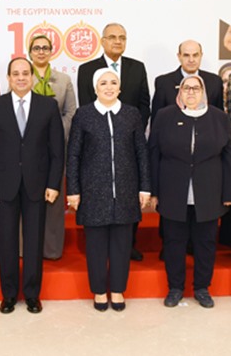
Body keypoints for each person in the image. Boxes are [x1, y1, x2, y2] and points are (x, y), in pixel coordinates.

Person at [0, 57, 64, 314]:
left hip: (37, 184)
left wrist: (53, 183)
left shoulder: (47, 106)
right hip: (4, 185)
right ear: (8, 78)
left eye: (25, 73)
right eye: (15, 73)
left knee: (33, 242)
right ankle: (7, 295)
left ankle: (31, 294)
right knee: (6, 242)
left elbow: (57, 150)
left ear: (32, 77)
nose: (20, 77)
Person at [149, 75, 231, 309]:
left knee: (205, 243)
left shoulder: (219, 117)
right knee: (174, 243)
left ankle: (202, 288)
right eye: (186, 88)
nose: (191, 92)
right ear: (179, 91)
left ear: (203, 91)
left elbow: (230, 156)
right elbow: (154, 154)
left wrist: (230, 192)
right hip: (172, 192)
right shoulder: (165, 116)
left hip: (209, 192)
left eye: (196, 88)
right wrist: (153, 191)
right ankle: (175, 288)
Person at [66, 68, 150, 312]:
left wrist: (145, 187)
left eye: (113, 82)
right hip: (93, 191)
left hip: (125, 189)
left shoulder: (131, 114)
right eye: (103, 83)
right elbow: (73, 154)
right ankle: (100, 291)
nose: (109, 87)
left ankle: (118, 289)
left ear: (120, 87)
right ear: (95, 88)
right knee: (96, 245)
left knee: (122, 245)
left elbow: (141, 153)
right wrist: (73, 189)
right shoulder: (84, 115)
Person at [77, 23, 149, 261]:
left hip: (129, 141)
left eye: (122, 38)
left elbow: (144, 104)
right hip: (97, 145)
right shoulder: (87, 69)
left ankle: (128, 245)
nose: (118, 41)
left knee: (127, 193)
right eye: (113, 37)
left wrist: (131, 128)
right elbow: (87, 107)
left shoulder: (137, 68)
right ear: (103, 41)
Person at [29, 34, 76, 260]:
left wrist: (55, 134)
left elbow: (70, 113)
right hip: (27, 148)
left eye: (45, 48)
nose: (41, 51)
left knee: (54, 200)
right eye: (36, 48)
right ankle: (27, 247)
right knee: (28, 197)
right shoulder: (23, 76)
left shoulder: (63, 79)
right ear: (30, 52)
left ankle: (52, 249)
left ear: (51, 52)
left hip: (57, 147)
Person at [152, 40, 224, 124]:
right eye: (186, 55)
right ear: (179, 56)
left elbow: (220, 120)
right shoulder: (164, 83)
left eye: (195, 55)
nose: (191, 60)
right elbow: (157, 121)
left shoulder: (215, 82)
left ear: (201, 56)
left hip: (207, 134)